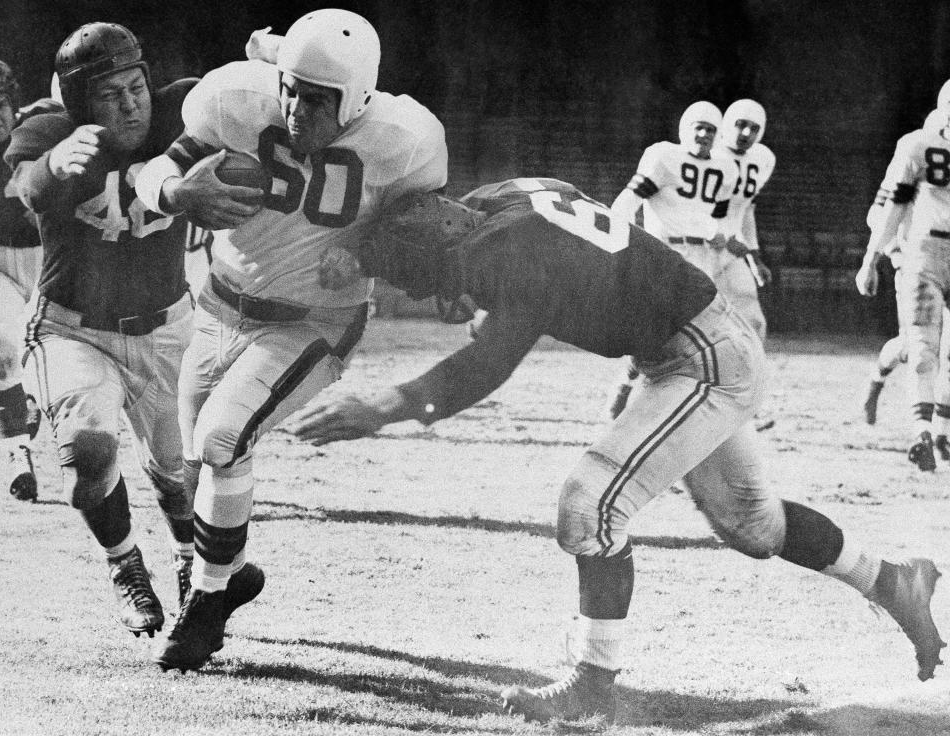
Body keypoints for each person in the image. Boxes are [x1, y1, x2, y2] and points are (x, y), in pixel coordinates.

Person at [290, 178, 944, 723]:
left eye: (437, 280)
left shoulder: (502, 249)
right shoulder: (505, 194)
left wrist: (382, 407)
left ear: (451, 236)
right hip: (700, 343)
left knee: (590, 503)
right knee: (753, 525)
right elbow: (559, 215)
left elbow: (487, 365)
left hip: (703, 359)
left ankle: (591, 689)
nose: (443, 299)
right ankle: (892, 581)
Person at [134, 8, 447, 671]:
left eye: (317, 98)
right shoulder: (237, 97)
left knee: (223, 437)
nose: (298, 110)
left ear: (357, 99)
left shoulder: (403, 137)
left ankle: (208, 607)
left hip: (314, 320)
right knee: (192, 467)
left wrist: (368, 249)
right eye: (292, 90)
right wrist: (172, 190)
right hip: (219, 305)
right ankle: (235, 573)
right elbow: (154, 170)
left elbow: (425, 225)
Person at [6, 23, 201, 638]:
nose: (130, 103)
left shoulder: (185, 110)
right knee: (88, 453)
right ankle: (124, 567)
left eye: (136, 86)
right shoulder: (49, 132)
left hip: (168, 329)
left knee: (181, 476)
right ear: (78, 101)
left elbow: (253, 109)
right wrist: (53, 167)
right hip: (73, 328)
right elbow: (28, 186)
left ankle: (190, 565)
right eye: (109, 93)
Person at [606, 101, 738, 418]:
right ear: (685, 129)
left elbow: (720, 218)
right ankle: (626, 384)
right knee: (658, 328)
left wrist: (722, 234)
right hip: (665, 251)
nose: (704, 135)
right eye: (699, 128)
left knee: (700, 331)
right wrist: (614, 233)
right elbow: (630, 198)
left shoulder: (725, 167)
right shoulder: (665, 156)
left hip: (703, 255)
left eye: (711, 130)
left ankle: (678, 401)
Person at [856, 82, 950, 471]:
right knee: (919, 347)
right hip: (917, 251)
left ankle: (941, 431)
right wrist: (877, 256)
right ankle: (922, 431)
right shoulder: (917, 146)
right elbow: (884, 209)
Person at [0, 58, 49, 502]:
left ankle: (27, 402)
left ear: (13, 102)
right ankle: (16, 450)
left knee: (49, 361)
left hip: (52, 259)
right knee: (0, 348)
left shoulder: (46, 125)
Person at [710, 99, 775, 341]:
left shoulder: (762, 158)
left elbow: (745, 212)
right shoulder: (710, 154)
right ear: (727, 124)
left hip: (730, 251)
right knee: (682, 321)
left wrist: (755, 259)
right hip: (697, 248)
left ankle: (751, 379)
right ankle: (630, 375)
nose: (747, 133)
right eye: (740, 124)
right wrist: (724, 238)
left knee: (754, 322)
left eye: (754, 128)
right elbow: (694, 208)